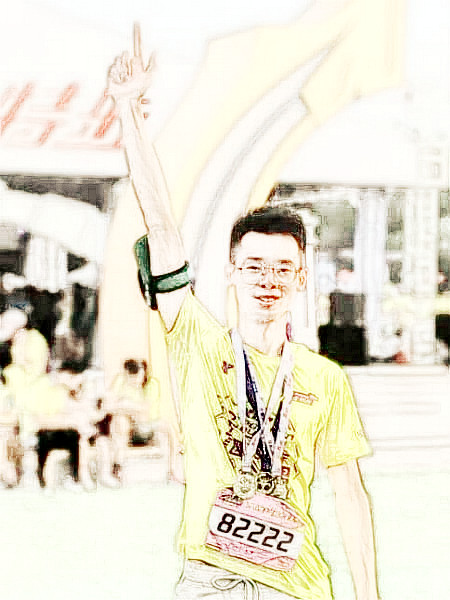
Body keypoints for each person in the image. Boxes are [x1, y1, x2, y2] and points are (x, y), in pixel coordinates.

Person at [107, 26, 381, 600]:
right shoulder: (197, 339)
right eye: (254, 266)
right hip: (212, 584)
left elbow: (350, 494)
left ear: (302, 278)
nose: (267, 280)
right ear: (231, 271)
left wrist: (370, 595)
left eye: (283, 268)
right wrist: (128, 111)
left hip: (297, 588)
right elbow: (160, 222)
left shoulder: (324, 380)